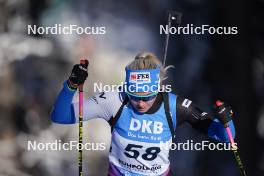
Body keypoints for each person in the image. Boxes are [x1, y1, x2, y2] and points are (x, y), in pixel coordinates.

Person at [51, 52, 235, 176]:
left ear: (159, 88)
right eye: (134, 96)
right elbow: (60, 116)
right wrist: (71, 85)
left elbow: (226, 138)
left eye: (147, 97)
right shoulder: (114, 100)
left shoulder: (174, 106)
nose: (140, 103)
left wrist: (227, 120)